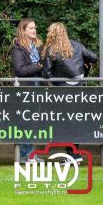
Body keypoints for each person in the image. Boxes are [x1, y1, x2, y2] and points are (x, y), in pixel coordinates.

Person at [42, 22, 98, 164]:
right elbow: (94, 57)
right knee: (75, 120)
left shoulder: (51, 50)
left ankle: (73, 155)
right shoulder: (76, 45)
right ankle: (74, 154)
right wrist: (85, 65)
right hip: (78, 89)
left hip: (62, 91)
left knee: (66, 122)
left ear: (51, 34)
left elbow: (46, 73)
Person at [10, 18, 44, 164]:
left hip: (37, 86)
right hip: (25, 88)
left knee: (33, 121)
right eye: (31, 28)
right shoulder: (18, 47)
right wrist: (39, 66)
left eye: (35, 28)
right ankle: (26, 155)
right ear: (23, 31)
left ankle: (30, 154)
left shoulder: (39, 46)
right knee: (26, 122)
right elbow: (20, 70)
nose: (34, 30)